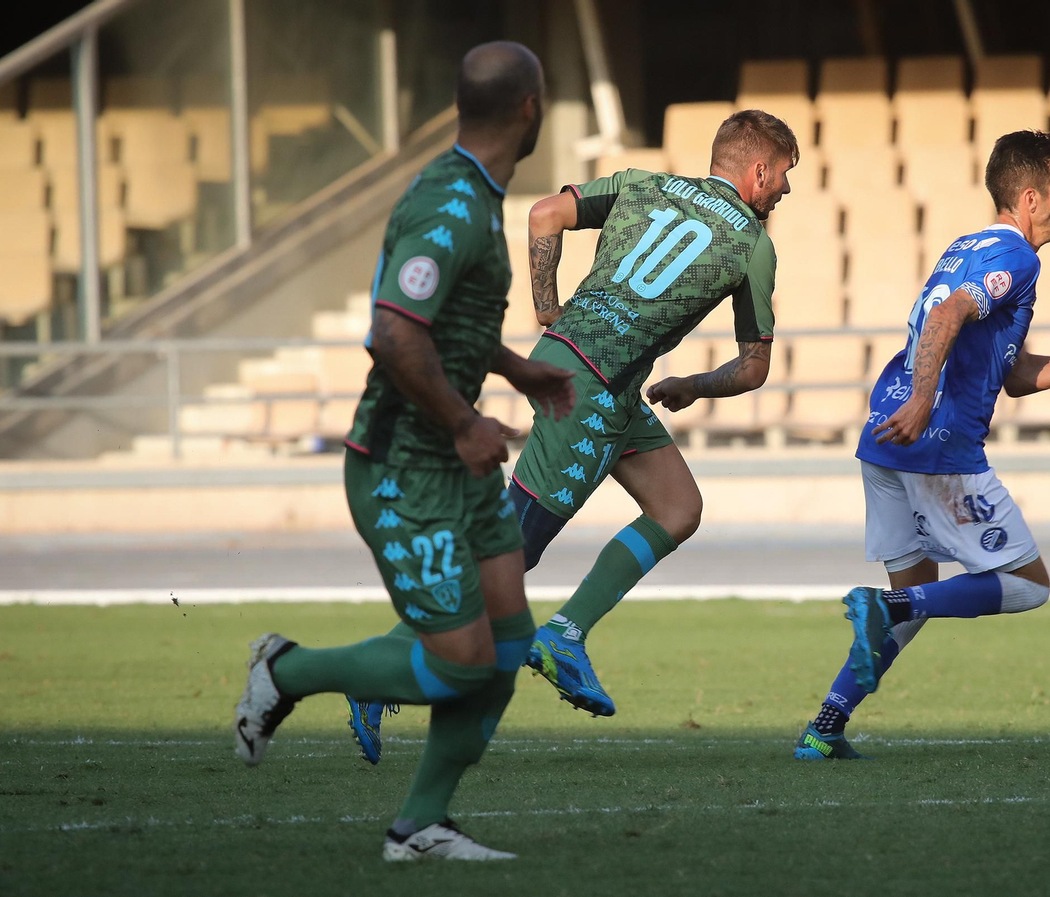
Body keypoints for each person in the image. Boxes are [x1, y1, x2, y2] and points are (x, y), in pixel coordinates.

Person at [345, 109, 796, 756]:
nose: (784, 189)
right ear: (758, 171)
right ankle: (378, 668)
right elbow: (755, 367)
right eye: (783, 174)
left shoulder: (645, 183)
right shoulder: (753, 244)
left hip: (584, 368)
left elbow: (542, 216)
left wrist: (548, 310)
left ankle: (565, 633)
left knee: (677, 507)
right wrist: (695, 386)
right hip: (592, 388)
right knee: (508, 551)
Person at [232, 42, 577, 860]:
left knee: (507, 646)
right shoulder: (451, 205)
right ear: (530, 108)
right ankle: (286, 671)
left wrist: (513, 364)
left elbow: (440, 323)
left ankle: (418, 825)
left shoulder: (469, 194)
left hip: (454, 469)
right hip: (404, 470)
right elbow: (392, 334)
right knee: (461, 663)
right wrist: (464, 423)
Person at [792, 130, 1050, 760]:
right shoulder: (1020, 257)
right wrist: (922, 400)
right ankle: (883, 606)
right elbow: (945, 320)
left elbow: (1013, 375)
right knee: (1026, 586)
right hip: (937, 446)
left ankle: (825, 727)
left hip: (885, 442)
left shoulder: (964, 247)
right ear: (1028, 196)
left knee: (911, 605)